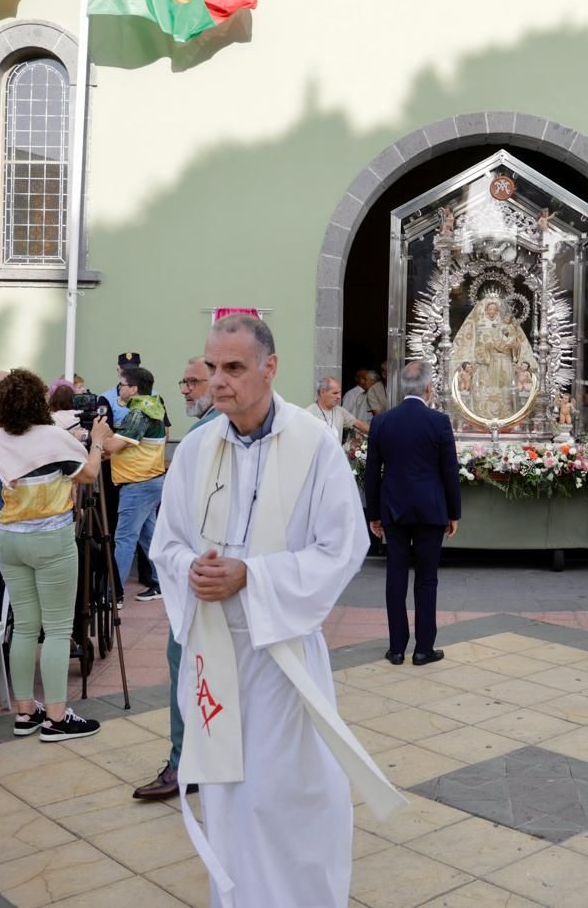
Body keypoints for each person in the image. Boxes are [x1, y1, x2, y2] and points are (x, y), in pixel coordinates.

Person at [151, 313, 397, 906]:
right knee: (230, 795)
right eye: (211, 368)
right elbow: (167, 542)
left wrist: (253, 577)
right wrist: (193, 570)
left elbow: (343, 546)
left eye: (233, 368)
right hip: (216, 648)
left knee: (290, 794)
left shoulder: (314, 445)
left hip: (281, 654)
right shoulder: (196, 449)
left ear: (270, 367)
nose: (218, 382)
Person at [0, 369, 111, 741]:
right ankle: (57, 718)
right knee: (57, 629)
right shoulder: (53, 437)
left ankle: (25, 713)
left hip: (9, 538)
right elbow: (88, 474)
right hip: (50, 539)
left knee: (25, 626)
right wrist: (99, 441)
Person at [134, 355, 220, 802]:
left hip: (205, 574)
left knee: (186, 664)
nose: (185, 389)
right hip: (197, 568)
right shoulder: (212, 431)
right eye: (183, 382)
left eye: (193, 382)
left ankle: (184, 762)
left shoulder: (210, 434)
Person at [363, 361, 461, 665]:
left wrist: (374, 513)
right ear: (429, 388)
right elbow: (449, 470)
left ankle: (396, 648)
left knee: (395, 577)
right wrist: (453, 512)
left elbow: (372, 473)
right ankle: (423, 649)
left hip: (393, 509)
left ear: (401, 389)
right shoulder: (439, 421)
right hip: (431, 510)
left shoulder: (382, 423)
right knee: (426, 579)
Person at [98, 365, 170, 600]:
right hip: (150, 479)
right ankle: (162, 583)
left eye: (123, 384)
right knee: (148, 536)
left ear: (134, 388)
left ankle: (113, 593)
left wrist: (101, 434)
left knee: (124, 538)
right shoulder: (153, 406)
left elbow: (111, 446)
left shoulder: (139, 414)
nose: (120, 388)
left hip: (138, 484)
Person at [307, 376, 370, 442]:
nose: (339, 397)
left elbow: (358, 424)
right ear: (322, 392)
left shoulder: (340, 411)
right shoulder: (309, 413)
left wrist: (378, 433)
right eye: (335, 393)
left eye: (339, 393)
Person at [102, 352, 142, 429]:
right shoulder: (106, 398)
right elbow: (103, 431)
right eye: (125, 370)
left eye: (134, 370)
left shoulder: (153, 396)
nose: (129, 374)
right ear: (118, 370)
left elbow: (165, 431)